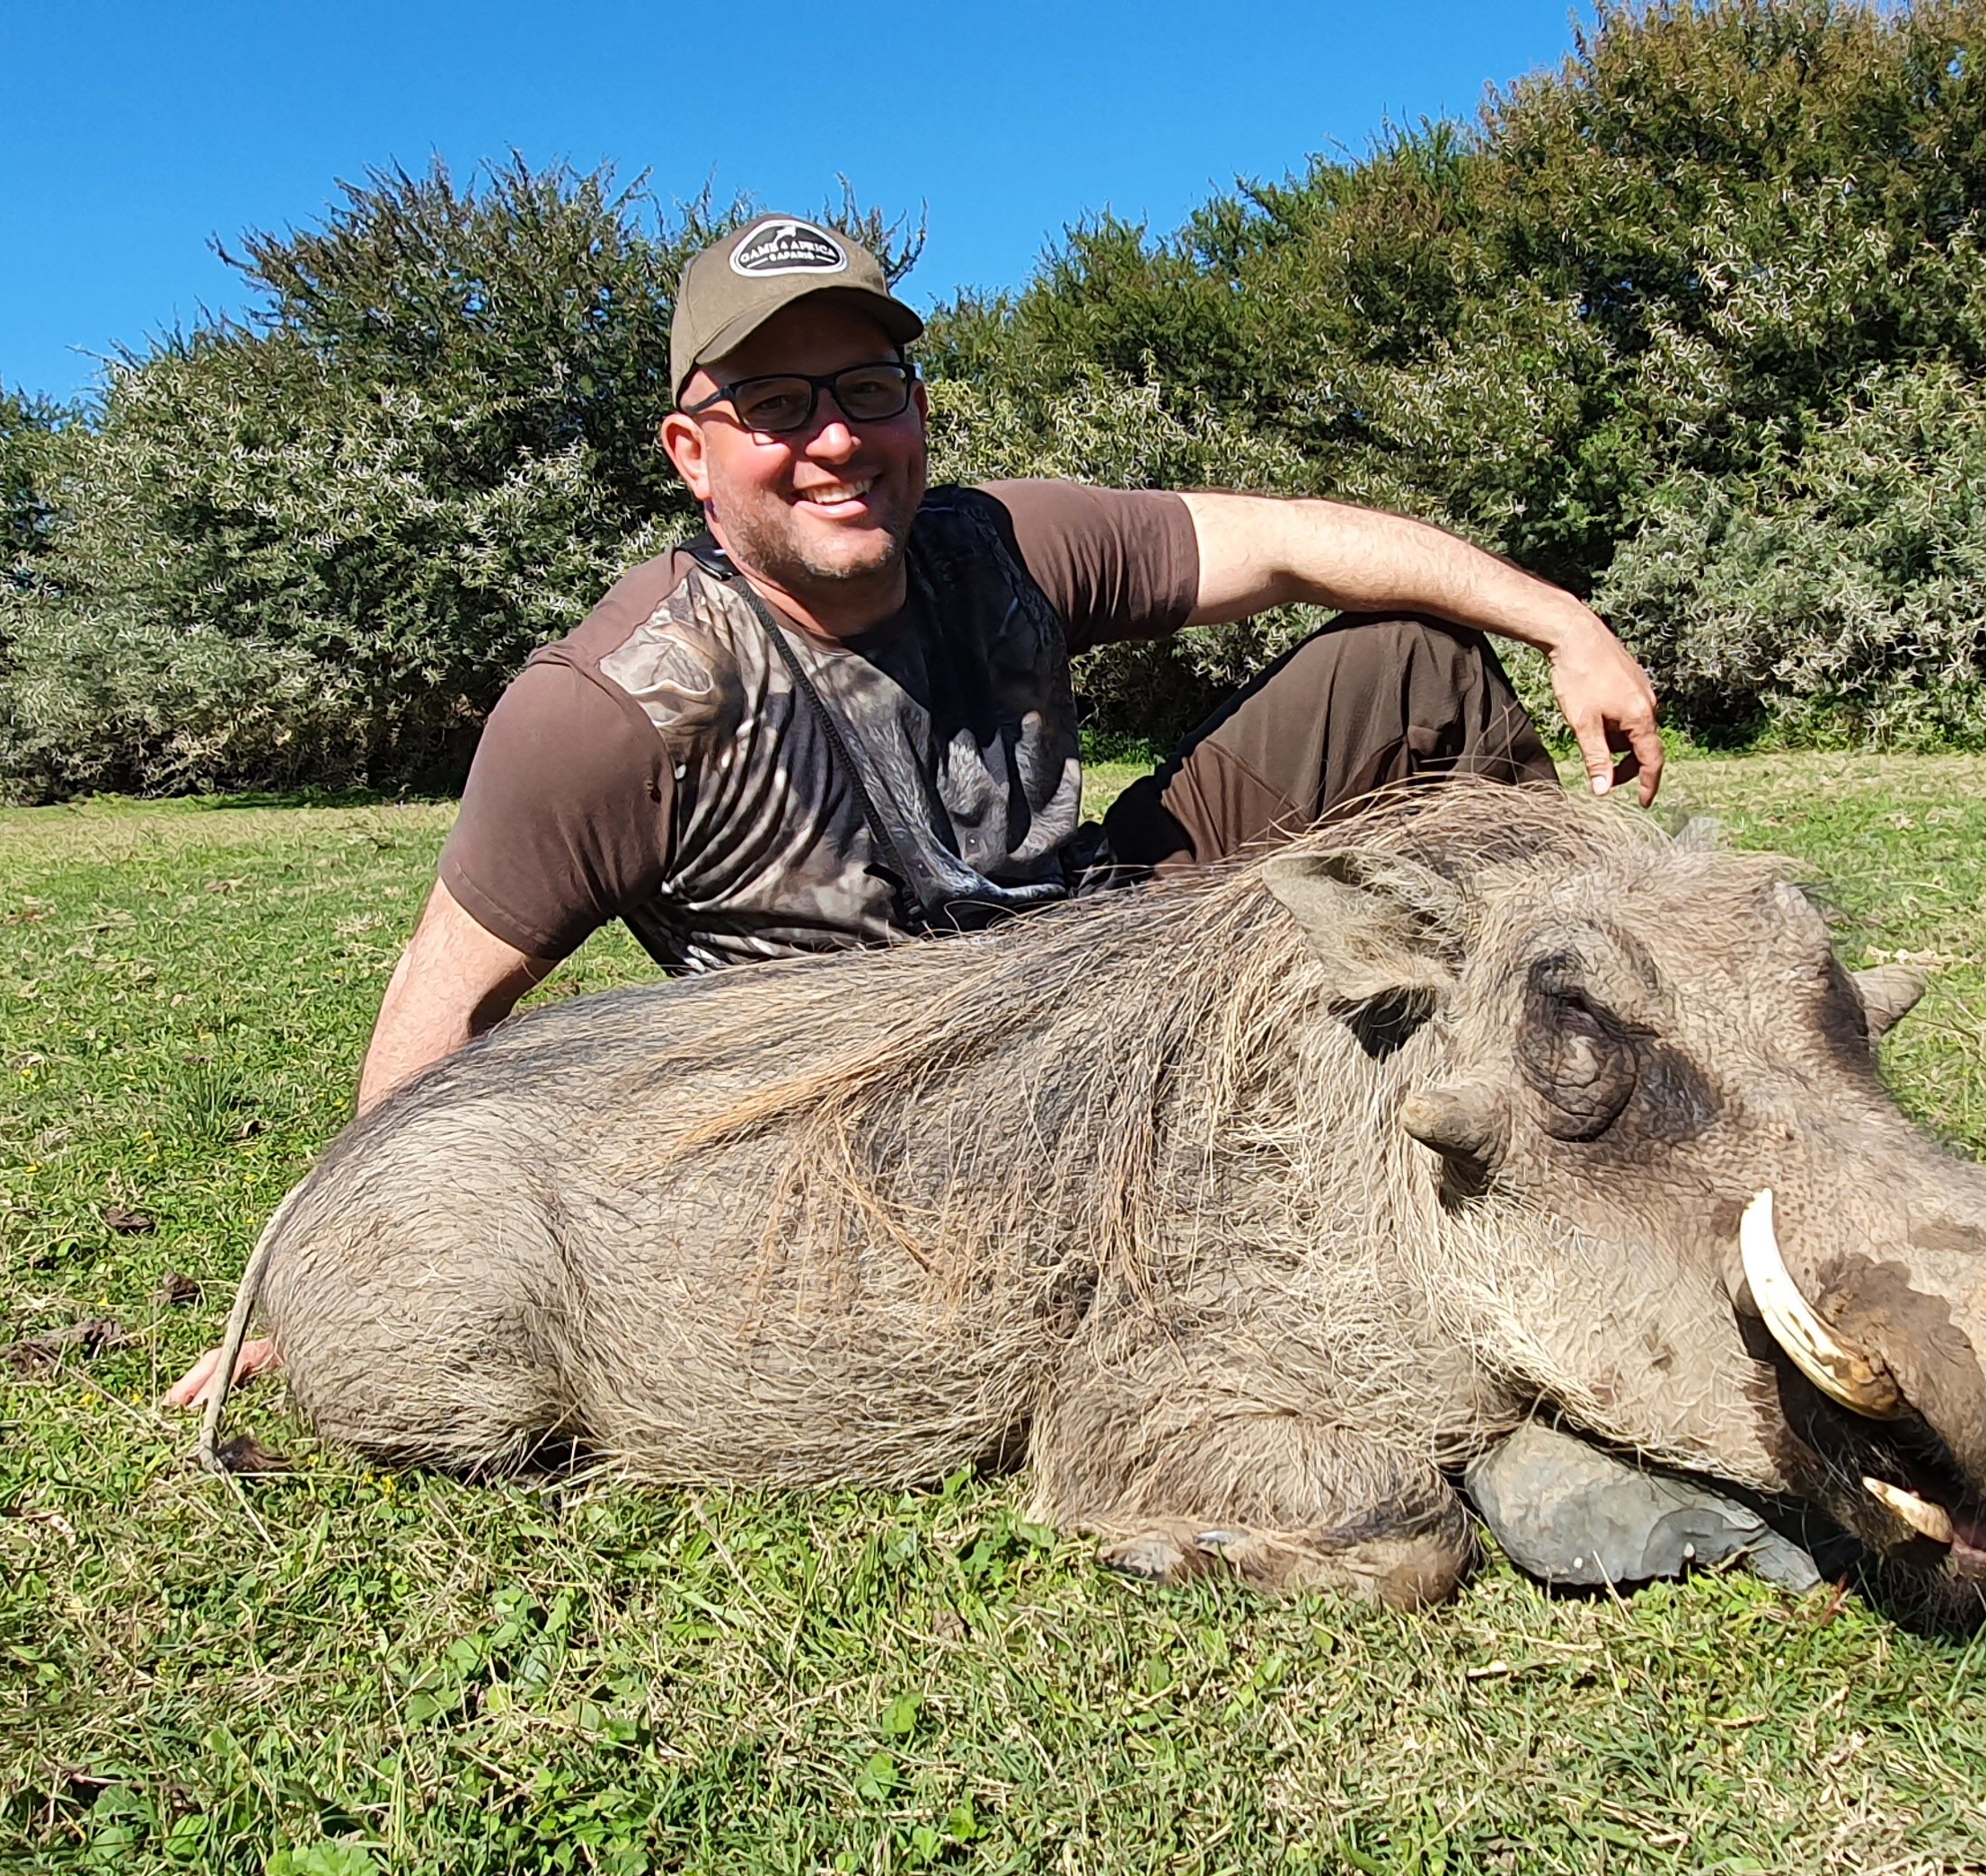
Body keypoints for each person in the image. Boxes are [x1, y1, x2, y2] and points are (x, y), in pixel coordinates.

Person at [163, 212, 1664, 1409]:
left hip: (1100, 940)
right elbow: (444, 1003)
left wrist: (1561, 621)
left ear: (917, 409)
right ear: (693, 456)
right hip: (905, 1112)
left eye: (869, 390)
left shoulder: (997, 539)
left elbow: (1285, 542)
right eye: (773, 404)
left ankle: (1597, 1082)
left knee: (1407, 665)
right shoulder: (608, 711)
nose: (836, 438)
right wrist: (331, 1274)